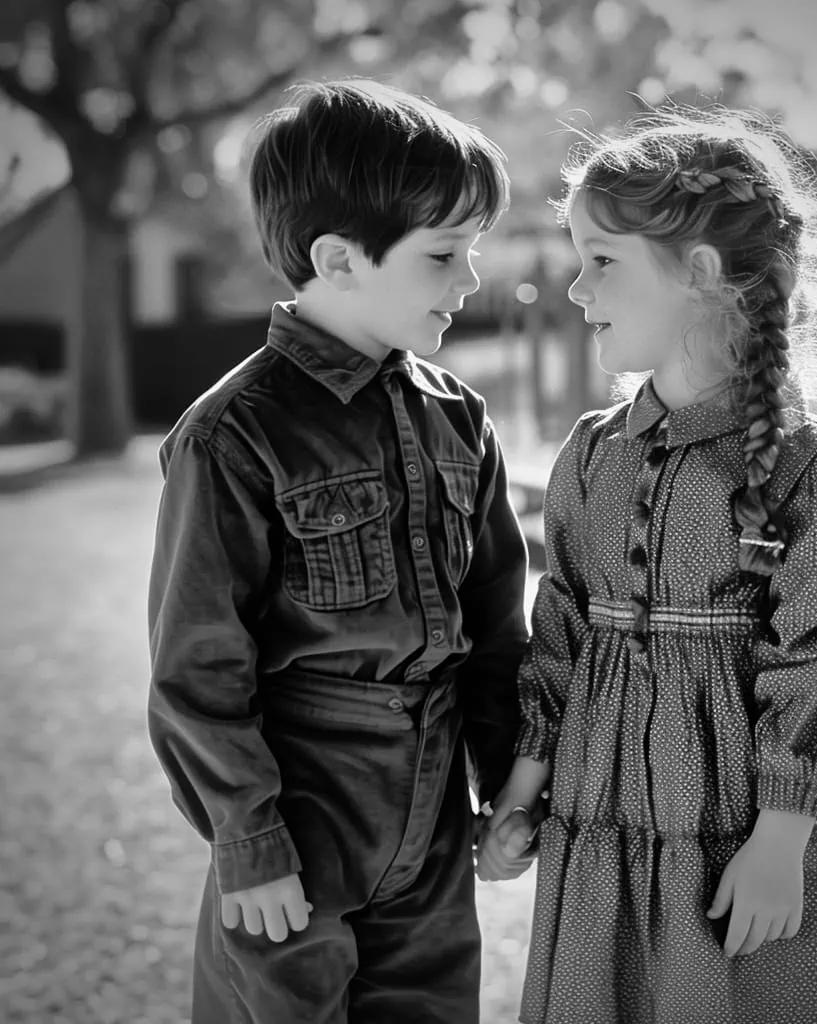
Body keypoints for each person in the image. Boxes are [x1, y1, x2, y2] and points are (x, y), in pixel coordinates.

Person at [479, 106, 817, 1024]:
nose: (577, 290)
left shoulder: (812, 471)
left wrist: (784, 836)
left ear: (701, 274)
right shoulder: (592, 456)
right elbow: (562, 626)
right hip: (600, 823)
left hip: (736, 837)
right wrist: (522, 786)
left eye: (603, 261)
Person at [147, 78, 531, 1024]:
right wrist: (249, 840)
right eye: (446, 253)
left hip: (434, 823)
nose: (471, 279)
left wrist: (505, 784)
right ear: (339, 258)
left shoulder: (460, 418)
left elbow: (493, 624)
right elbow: (199, 664)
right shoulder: (233, 434)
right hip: (301, 823)